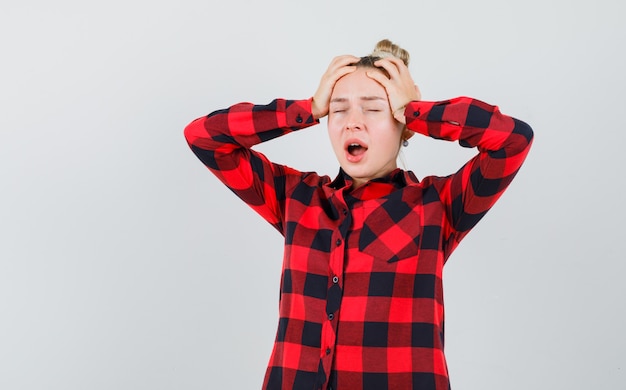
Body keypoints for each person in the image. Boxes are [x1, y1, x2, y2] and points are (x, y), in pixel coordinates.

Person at [184, 39, 533, 390]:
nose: (352, 123)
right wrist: (306, 107)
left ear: (403, 122)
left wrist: (416, 109)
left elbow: (512, 140)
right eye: (338, 110)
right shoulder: (296, 198)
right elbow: (204, 137)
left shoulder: (438, 206)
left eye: (373, 109)